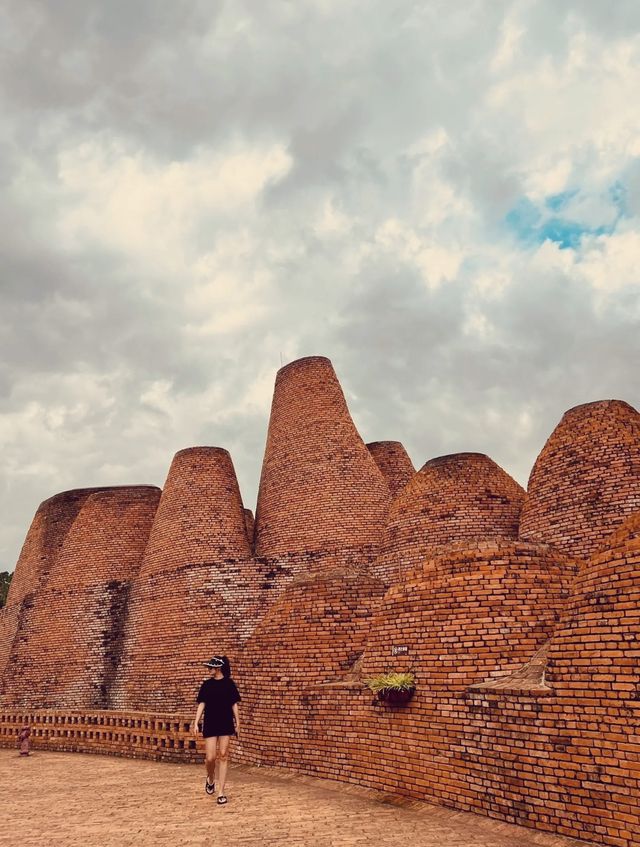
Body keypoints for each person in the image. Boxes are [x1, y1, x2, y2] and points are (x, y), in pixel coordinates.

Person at [191, 655, 241, 805]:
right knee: (211, 758)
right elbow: (202, 704)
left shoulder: (229, 684)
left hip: (225, 722)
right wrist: (196, 722)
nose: (208, 670)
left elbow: (234, 705)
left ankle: (221, 792)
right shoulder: (206, 685)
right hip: (211, 722)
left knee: (224, 755)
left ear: (218, 668)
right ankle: (210, 778)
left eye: (210, 667)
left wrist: (238, 722)